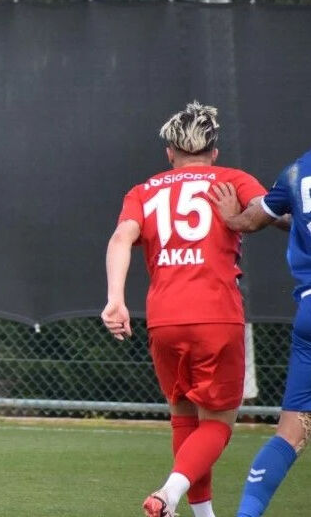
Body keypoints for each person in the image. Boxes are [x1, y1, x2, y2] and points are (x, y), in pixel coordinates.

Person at [100, 101, 267, 517]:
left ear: (169, 153)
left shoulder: (144, 190)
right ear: (214, 151)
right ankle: (168, 495)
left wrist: (115, 299)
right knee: (218, 424)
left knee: (183, 418)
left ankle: (201, 515)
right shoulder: (232, 179)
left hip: (164, 319)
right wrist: (244, 216)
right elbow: (272, 211)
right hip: (216, 315)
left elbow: (121, 238)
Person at [209, 152, 306, 517]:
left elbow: (255, 220)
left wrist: (231, 217)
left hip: (310, 313)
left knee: (290, 434)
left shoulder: (298, 170)